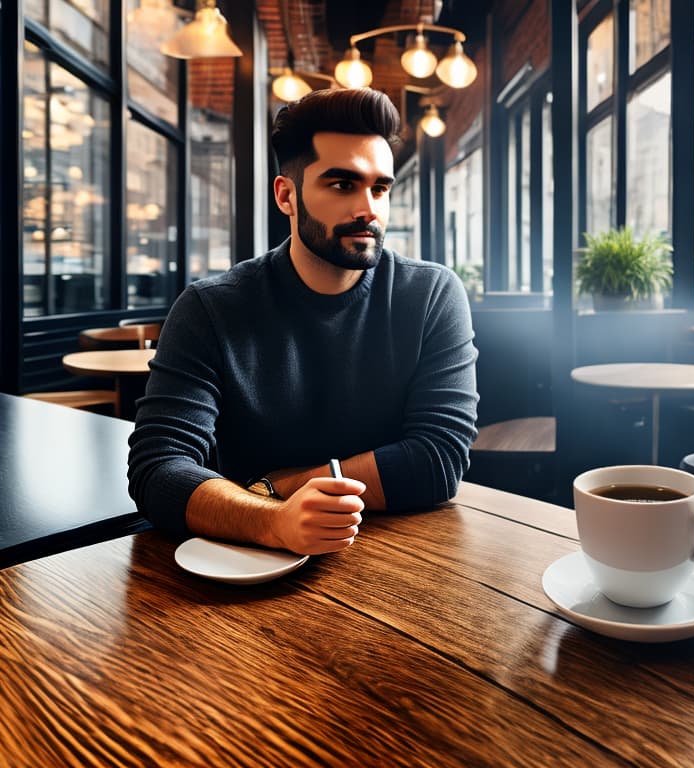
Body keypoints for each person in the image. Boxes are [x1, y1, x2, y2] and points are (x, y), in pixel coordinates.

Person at [128, 88, 479, 556]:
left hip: (404, 553)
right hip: (247, 562)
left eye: (380, 187)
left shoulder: (430, 294)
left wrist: (276, 491)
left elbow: (440, 459)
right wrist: (273, 523)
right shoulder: (210, 308)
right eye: (342, 185)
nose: (369, 209)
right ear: (286, 195)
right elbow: (158, 468)